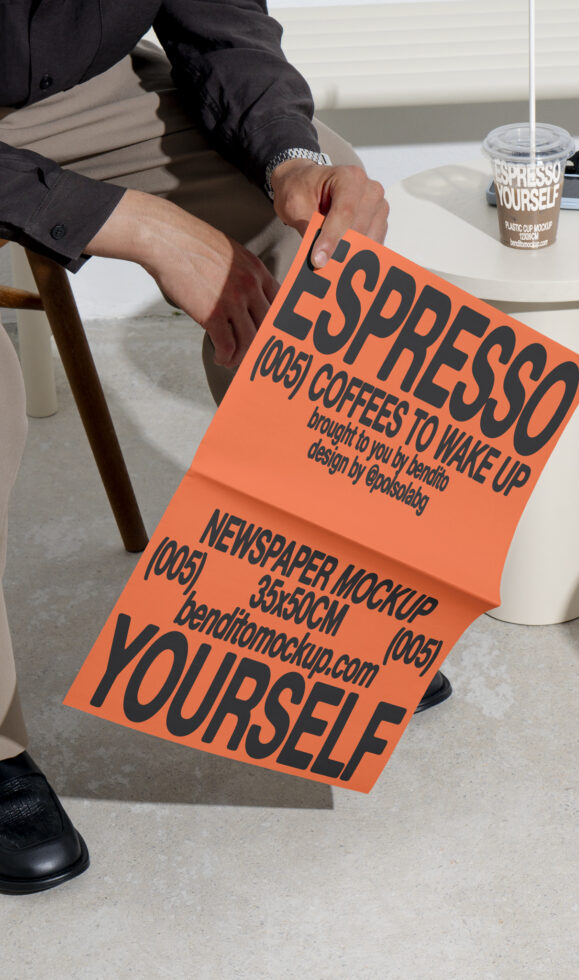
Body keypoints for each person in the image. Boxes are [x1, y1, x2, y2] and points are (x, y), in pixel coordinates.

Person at [0, 1, 451, 895]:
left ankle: (317, 597)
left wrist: (294, 159)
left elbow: (222, 24)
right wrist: (137, 226)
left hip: (85, 95)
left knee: (318, 236)